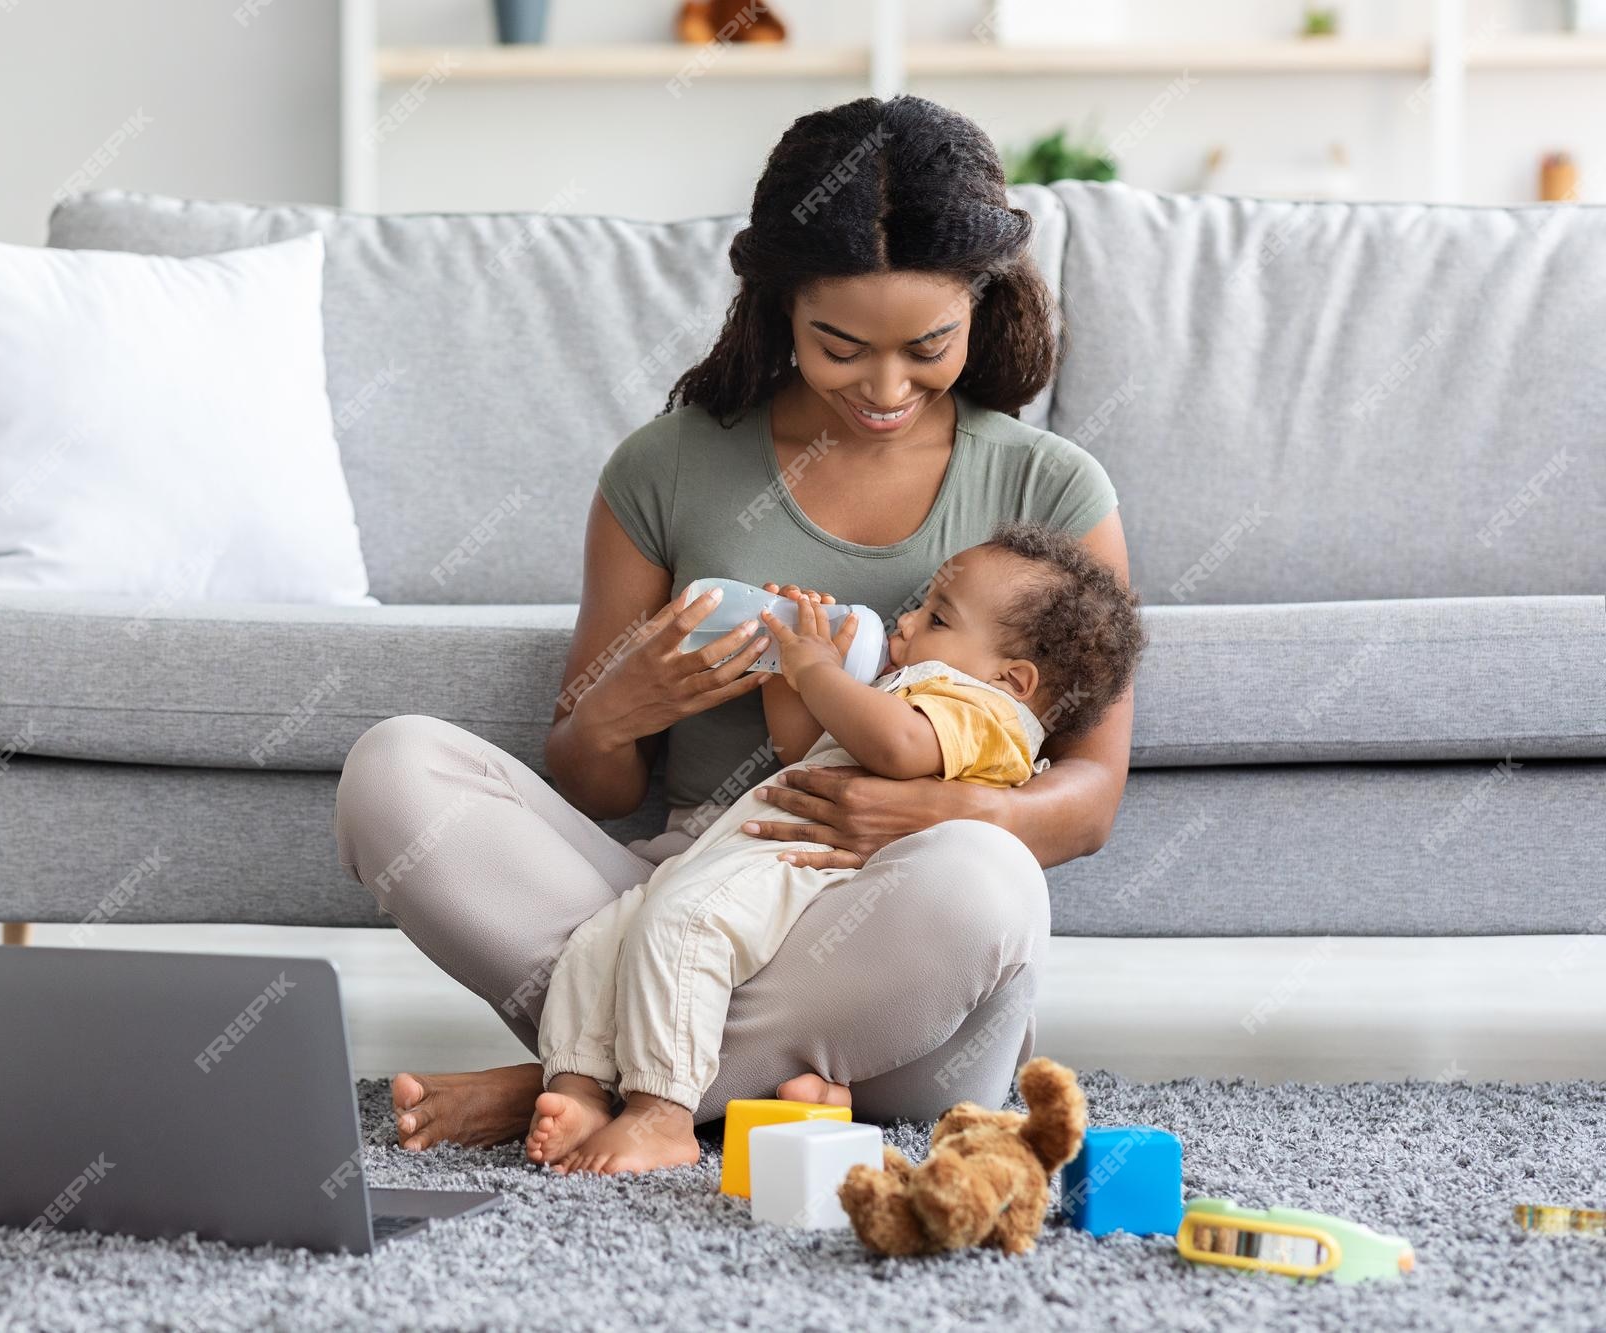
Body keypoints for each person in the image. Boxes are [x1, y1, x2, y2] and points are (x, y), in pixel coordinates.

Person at [332, 94, 1135, 1157]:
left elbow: (1084, 802)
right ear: (775, 308)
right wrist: (614, 715)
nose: (884, 387)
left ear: (981, 308)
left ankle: (580, 1084)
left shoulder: (1050, 488)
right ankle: (711, 1083)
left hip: (895, 969)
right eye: (839, 346)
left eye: (927, 345)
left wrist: (916, 810)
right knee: (394, 769)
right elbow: (593, 785)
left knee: (987, 881)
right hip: (683, 894)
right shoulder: (666, 467)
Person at [526, 524, 1145, 1173]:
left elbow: (898, 747)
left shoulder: (987, 714)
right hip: (752, 858)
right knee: (602, 939)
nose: (906, 622)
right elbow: (805, 753)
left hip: (808, 871)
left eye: (936, 615)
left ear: (1012, 677)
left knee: (682, 928)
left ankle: (662, 1115)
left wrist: (818, 668)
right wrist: (787, 677)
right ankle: (576, 1091)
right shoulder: (917, 691)